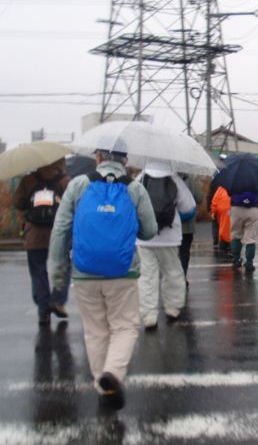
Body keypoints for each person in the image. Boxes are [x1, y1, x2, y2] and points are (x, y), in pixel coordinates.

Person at [48, 149, 157, 410]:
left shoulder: (78, 185)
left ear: (98, 158)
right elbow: (150, 231)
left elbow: (60, 229)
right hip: (123, 271)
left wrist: (58, 275)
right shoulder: (134, 188)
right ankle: (113, 374)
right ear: (125, 160)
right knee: (125, 327)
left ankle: (103, 385)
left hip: (84, 272)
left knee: (95, 331)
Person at [136, 161, 196, 330]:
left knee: (147, 276)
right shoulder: (174, 179)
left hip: (145, 236)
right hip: (169, 236)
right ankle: (173, 308)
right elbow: (189, 206)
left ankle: (148, 316)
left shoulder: (141, 178)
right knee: (173, 272)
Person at [13, 158, 71, 326]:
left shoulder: (28, 180)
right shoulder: (65, 181)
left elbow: (18, 203)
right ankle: (58, 300)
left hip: (34, 235)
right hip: (58, 234)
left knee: (38, 272)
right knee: (64, 267)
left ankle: (43, 310)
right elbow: (74, 204)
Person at [178, 174, 203, 288]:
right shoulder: (189, 179)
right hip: (186, 225)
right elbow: (199, 198)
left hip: (168, 225)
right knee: (184, 252)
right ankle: (182, 276)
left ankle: (173, 279)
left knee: (170, 255)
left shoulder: (164, 177)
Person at [230, 190, 258, 272]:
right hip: (252, 208)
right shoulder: (255, 180)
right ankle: (249, 263)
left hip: (236, 208)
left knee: (236, 235)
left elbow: (229, 194)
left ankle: (236, 260)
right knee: (250, 238)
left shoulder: (234, 180)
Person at [210, 186, 231, 258]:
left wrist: (213, 211)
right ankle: (228, 246)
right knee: (231, 228)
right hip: (231, 208)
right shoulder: (237, 187)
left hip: (221, 210)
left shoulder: (220, 189)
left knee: (223, 227)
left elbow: (214, 201)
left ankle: (223, 244)